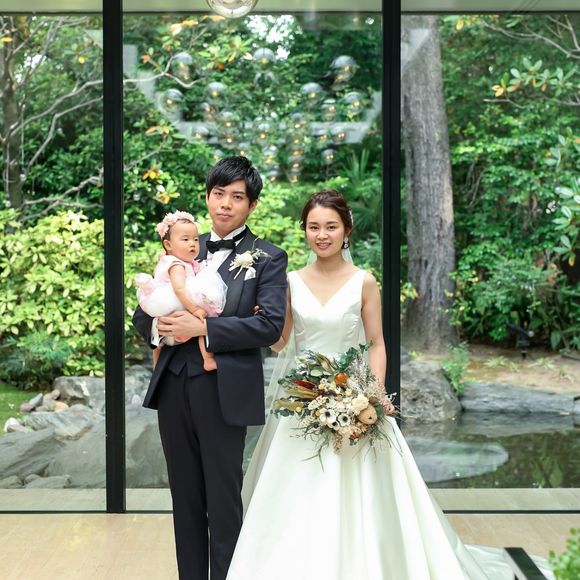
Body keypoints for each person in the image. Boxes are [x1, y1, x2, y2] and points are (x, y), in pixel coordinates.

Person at [226, 190, 548, 580]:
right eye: (314, 227)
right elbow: (280, 342)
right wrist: (259, 318)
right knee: (294, 487)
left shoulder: (363, 282)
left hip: (354, 396)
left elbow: (377, 343)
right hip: (303, 398)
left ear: (346, 230)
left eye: (331, 227)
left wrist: (373, 395)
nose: (322, 235)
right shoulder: (290, 281)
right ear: (305, 231)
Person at [132, 156, 288, 580]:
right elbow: (144, 313)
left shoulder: (268, 257)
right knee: (184, 498)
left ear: (252, 205)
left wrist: (204, 327)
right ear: (207, 197)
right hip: (173, 384)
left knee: (223, 499)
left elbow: (270, 326)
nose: (225, 204)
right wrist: (163, 329)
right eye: (218, 194)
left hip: (224, 389)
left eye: (236, 197)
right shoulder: (182, 244)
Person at [135, 210, 227, 370]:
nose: (192, 243)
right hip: (173, 301)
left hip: (165, 304)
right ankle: (208, 359)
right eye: (185, 239)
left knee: (161, 343)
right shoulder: (177, 264)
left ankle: (157, 366)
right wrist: (195, 309)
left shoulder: (173, 259)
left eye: (195, 239)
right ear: (168, 245)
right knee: (203, 324)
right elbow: (179, 289)